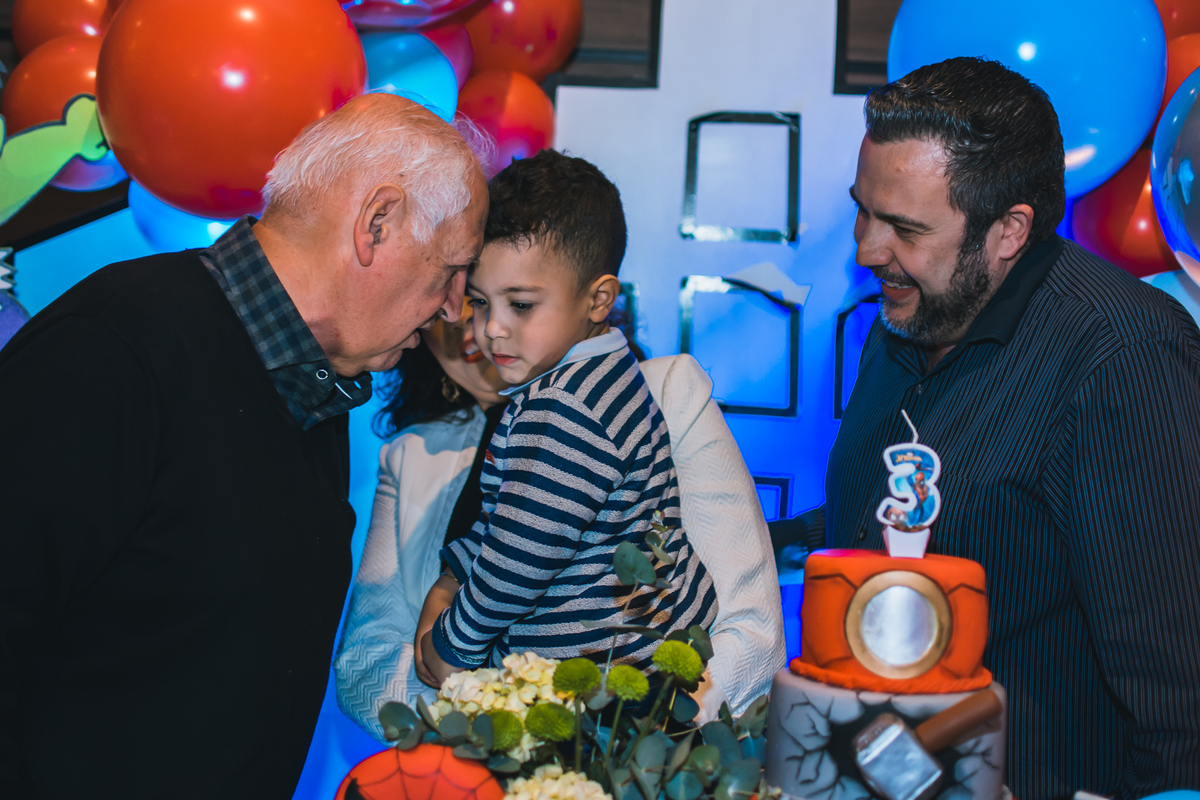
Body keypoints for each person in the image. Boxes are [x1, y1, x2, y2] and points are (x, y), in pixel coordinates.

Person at [0, 94, 487, 800]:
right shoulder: (113, 348)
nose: (454, 306)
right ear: (376, 224)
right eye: (452, 268)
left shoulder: (314, 388)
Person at [776, 57, 1200, 799]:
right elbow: (912, 516)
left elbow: (1178, 695)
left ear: (1008, 232)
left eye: (904, 227)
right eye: (864, 210)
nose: (868, 249)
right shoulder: (911, 313)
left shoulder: (1123, 357)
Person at [334, 298, 784, 740]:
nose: (474, 325)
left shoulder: (662, 392)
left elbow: (752, 632)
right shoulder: (410, 453)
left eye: (519, 299)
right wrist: (500, 738)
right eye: (462, 295)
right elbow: (363, 667)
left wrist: (618, 753)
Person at [416, 150, 719, 686]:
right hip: (641, 651)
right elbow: (521, 519)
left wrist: (451, 644)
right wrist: (457, 567)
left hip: (599, 679)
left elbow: (517, 565)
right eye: (481, 302)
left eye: (522, 305)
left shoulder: (563, 407)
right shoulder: (607, 372)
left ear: (599, 298)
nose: (492, 330)